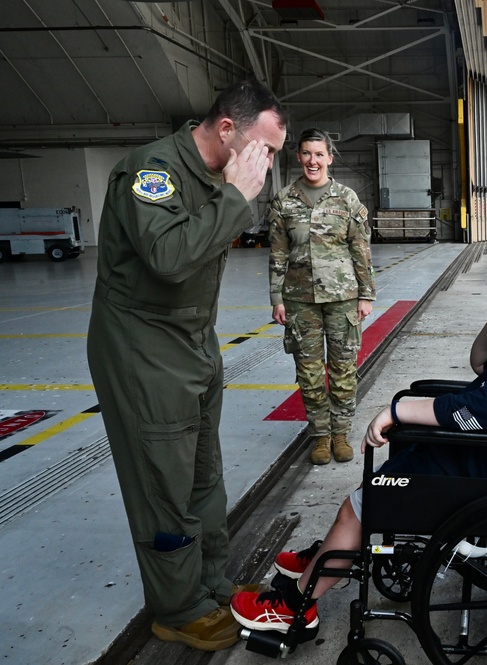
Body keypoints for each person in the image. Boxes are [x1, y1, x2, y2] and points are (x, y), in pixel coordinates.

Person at [229, 276, 487, 633]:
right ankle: (332, 555)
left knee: (358, 508)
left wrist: (396, 412)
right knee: (367, 495)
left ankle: (296, 608)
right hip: (471, 463)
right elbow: (480, 364)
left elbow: (461, 412)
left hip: (469, 476)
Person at [87, 80, 288, 651]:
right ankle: (177, 609)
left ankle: (210, 583)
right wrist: (236, 196)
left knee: (203, 472)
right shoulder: (152, 172)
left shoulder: (213, 176)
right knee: (163, 483)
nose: (266, 165)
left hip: (193, 342)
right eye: (264, 149)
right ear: (227, 129)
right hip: (143, 350)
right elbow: (169, 259)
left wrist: (231, 191)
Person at [268, 128, 375, 465]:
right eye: (306, 154)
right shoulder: (284, 201)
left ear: (329, 158)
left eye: (319, 154)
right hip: (300, 300)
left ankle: (341, 433)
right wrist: (276, 298)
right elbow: (277, 253)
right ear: (298, 157)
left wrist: (366, 294)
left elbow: (361, 250)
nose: (312, 160)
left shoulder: (346, 198)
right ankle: (319, 436)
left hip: (343, 298)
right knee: (309, 372)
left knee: (343, 368)